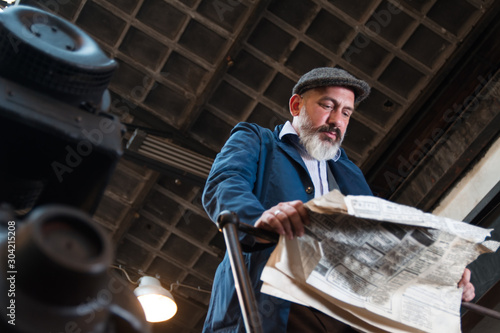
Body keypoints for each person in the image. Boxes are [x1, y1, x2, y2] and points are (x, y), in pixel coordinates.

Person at [201, 67, 475, 332]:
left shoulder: (350, 174)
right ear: (296, 106)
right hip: (274, 300)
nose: (337, 120)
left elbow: (381, 243)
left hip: (342, 311)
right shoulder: (258, 140)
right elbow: (225, 184)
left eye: (346, 113)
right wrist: (260, 218)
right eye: (328, 106)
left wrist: (438, 274)